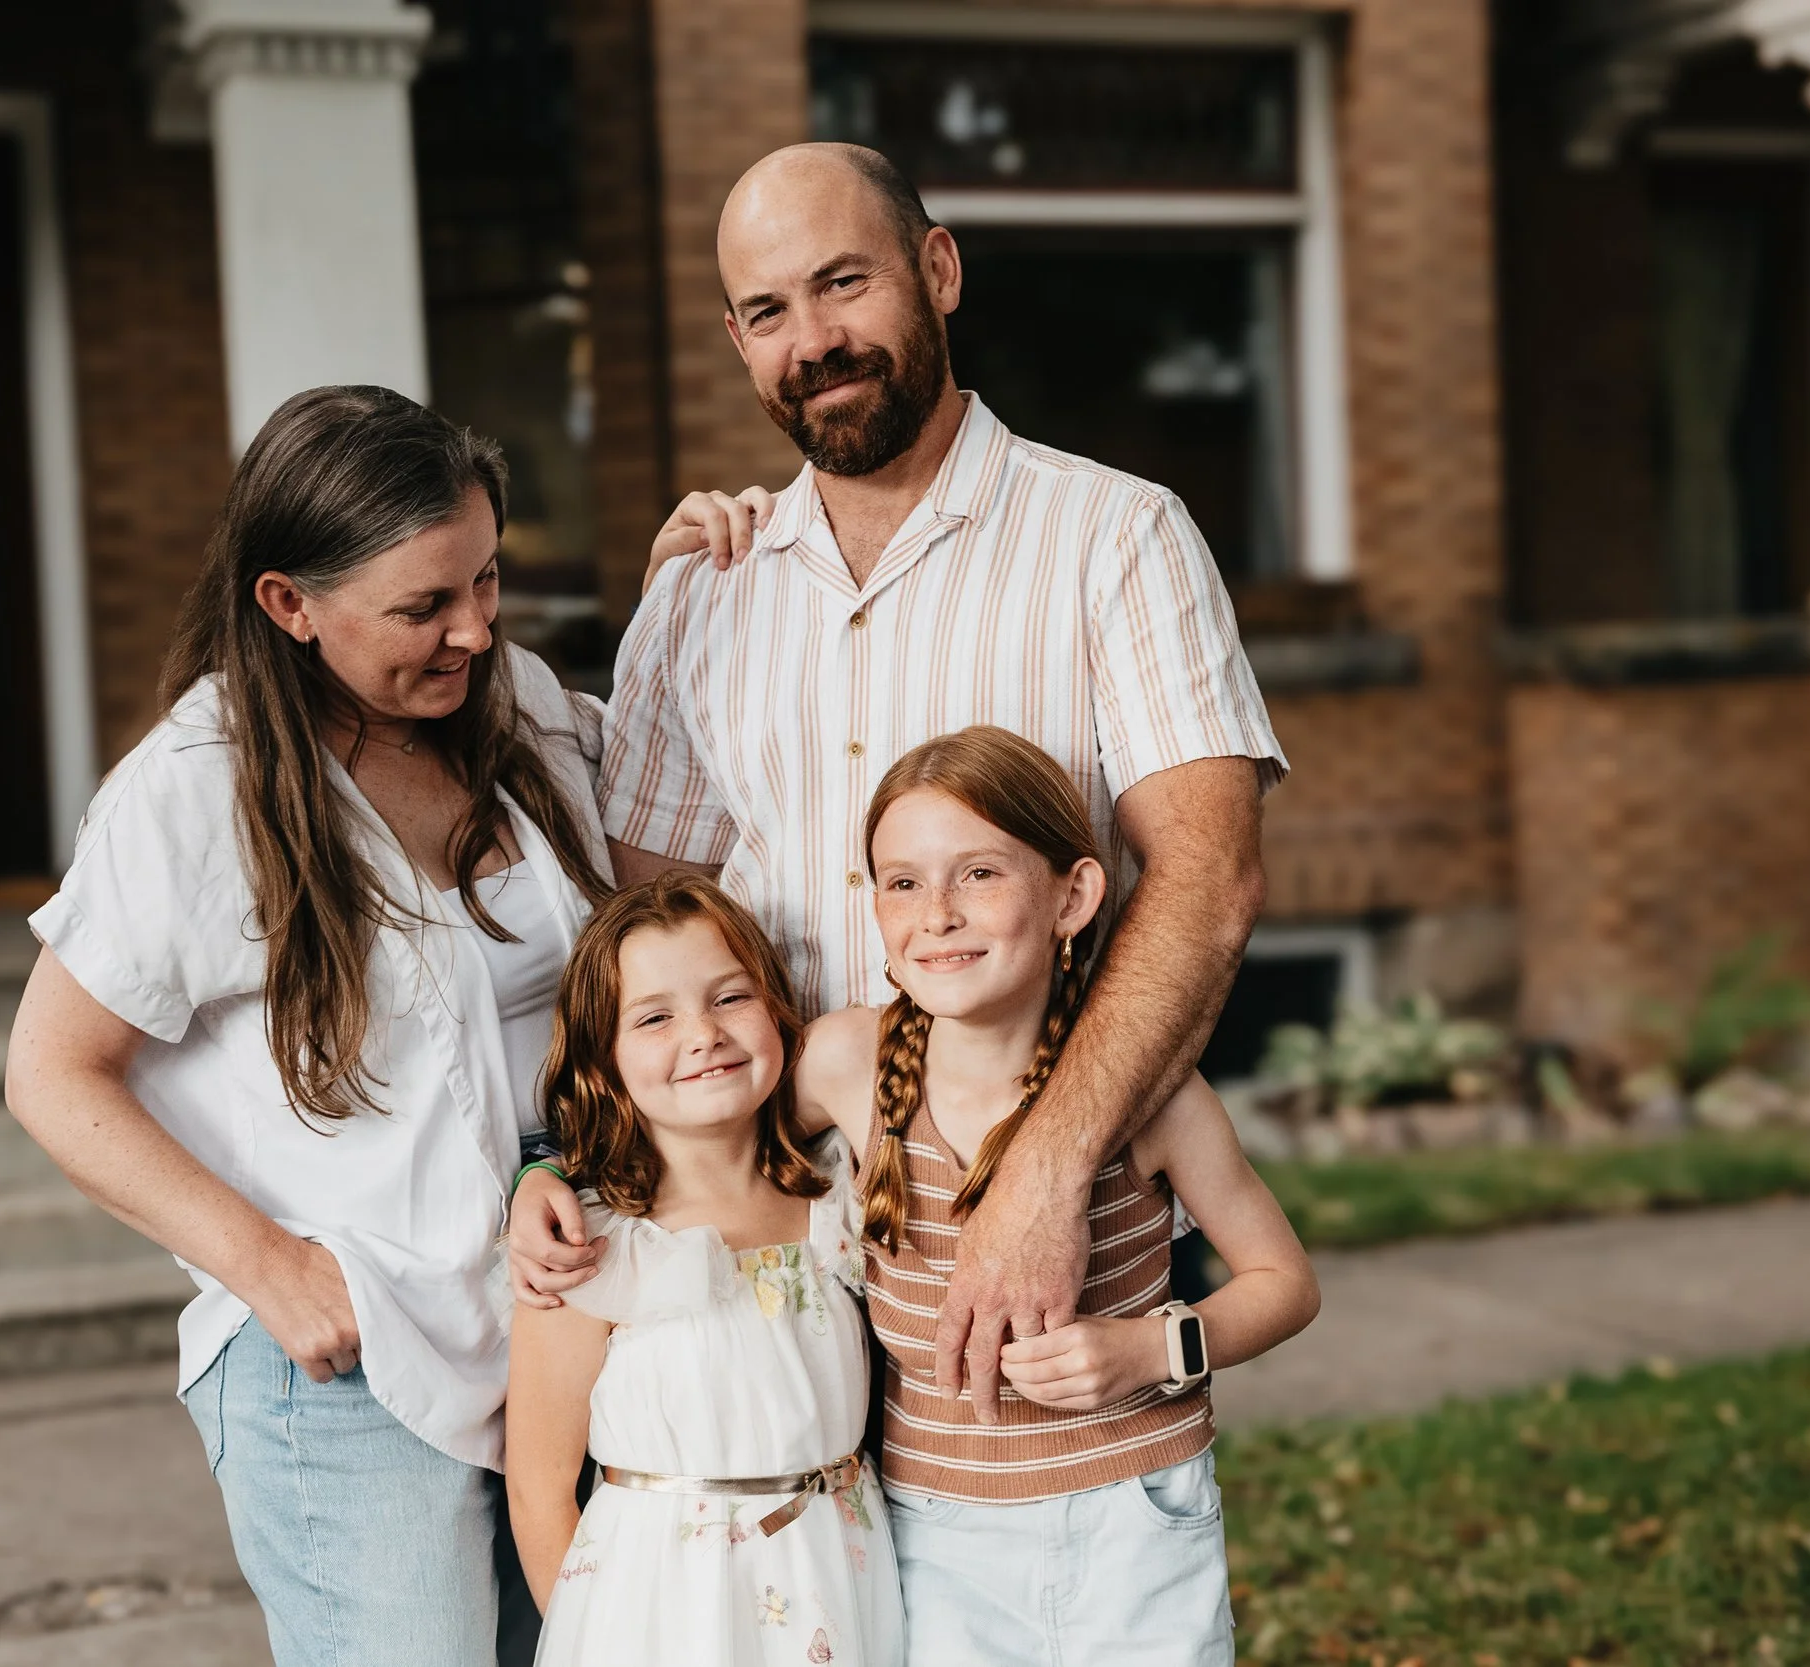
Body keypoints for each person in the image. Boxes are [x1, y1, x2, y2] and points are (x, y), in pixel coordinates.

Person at [512, 141, 1288, 1422]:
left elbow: (1208, 879)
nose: (811, 339)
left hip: (1043, 1219)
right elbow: (641, 941)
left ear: (937, 269)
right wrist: (567, 1166)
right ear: (736, 337)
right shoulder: (701, 594)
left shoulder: (1115, 536)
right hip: (773, 1250)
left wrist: (1038, 1179)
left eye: (842, 284)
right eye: (768, 312)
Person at [3, 386, 611, 1667]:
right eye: (423, 606)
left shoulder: (526, 708)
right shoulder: (192, 790)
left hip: (562, 1333)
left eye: (488, 578)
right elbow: (54, 1074)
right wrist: (266, 1263)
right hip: (351, 1369)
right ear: (289, 603)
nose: (475, 628)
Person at [796, 727, 1319, 1663]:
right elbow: (694, 1143)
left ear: (1071, 896)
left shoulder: (1150, 1095)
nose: (938, 914)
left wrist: (1152, 1347)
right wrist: (551, 1172)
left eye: (981, 874)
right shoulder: (848, 1062)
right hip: (932, 1528)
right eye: (902, 882)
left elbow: (1285, 1280)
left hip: (1135, 1516)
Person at [504, 873, 902, 1667]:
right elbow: (540, 1486)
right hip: (663, 1607)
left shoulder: (838, 1201)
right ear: (605, 1062)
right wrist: (590, 1630)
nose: (703, 1033)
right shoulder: (592, 1247)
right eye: (655, 1016)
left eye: (730, 998)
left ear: (777, 1010)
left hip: (837, 1574)